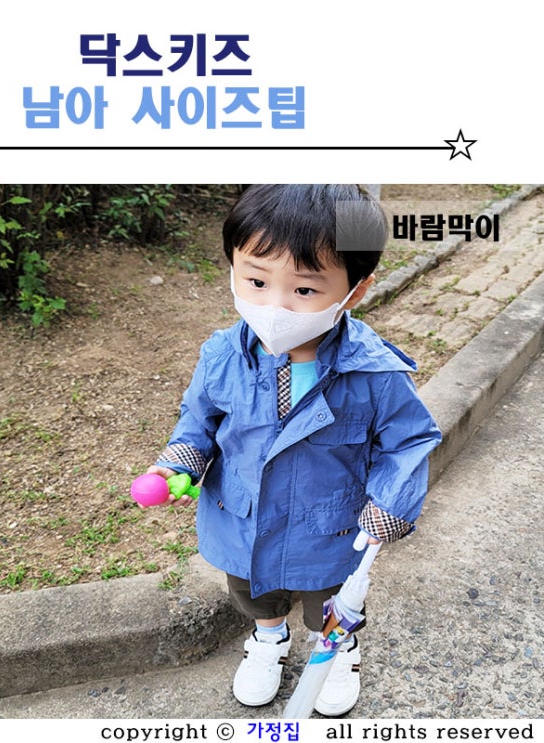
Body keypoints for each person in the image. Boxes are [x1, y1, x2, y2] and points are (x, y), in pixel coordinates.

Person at [144, 184, 442, 716]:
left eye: (304, 289)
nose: (275, 306)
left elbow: (410, 441)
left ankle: (336, 650)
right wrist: (179, 462)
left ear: (356, 290)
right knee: (253, 590)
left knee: (330, 598)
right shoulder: (222, 356)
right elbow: (198, 420)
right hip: (244, 517)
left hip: (330, 528)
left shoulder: (374, 373)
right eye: (256, 281)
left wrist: (390, 504)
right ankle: (268, 639)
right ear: (233, 267)